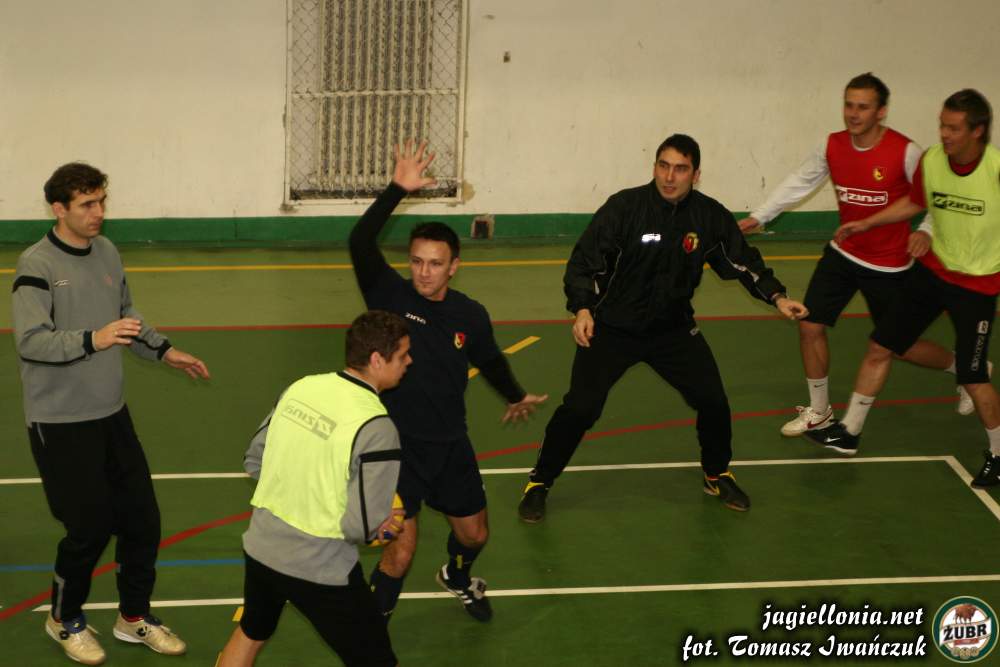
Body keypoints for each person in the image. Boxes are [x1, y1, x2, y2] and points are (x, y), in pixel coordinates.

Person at [516, 134, 808, 523]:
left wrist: (777, 297)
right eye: (663, 166)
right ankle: (539, 482)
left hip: (673, 330)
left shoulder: (708, 217)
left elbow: (742, 261)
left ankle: (716, 475)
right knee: (581, 408)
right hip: (612, 329)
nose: (670, 177)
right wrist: (582, 308)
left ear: (696, 174)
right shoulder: (625, 208)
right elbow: (585, 262)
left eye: (680, 169)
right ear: (654, 167)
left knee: (713, 401)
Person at [12, 162, 209, 665]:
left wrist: (164, 350)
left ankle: (133, 616)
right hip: (59, 421)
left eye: (101, 201)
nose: (99, 212)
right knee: (89, 528)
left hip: (111, 413)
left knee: (143, 519)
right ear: (59, 209)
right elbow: (31, 341)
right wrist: (92, 339)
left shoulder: (106, 252)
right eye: (87, 204)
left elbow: (127, 316)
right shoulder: (36, 265)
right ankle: (64, 619)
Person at [348, 141, 548, 623]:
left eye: (435, 264)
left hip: (450, 443)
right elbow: (359, 241)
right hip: (395, 447)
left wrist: (515, 394)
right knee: (399, 552)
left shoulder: (469, 315)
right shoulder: (388, 294)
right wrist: (397, 189)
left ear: (454, 266)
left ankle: (457, 576)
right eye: (417, 261)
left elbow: (489, 359)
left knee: (475, 534)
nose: (424, 272)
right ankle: (369, 641)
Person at [738, 73, 961, 437]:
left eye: (863, 107)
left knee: (900, 347)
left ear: (881, 111)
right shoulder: (832, 145)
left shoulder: (906, 151)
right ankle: (819, 411)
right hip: (843, 253)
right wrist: (760, 216)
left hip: (889, 265)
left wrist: (925, 231)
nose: (853, 114)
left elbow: (937, 195)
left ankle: (963, 368)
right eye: (849, 105)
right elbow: (800, 181)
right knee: (810, 324)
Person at [805, 89, 1000, 488]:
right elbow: (916, 202)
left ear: (977, 131)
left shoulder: (995, 170)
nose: (944, 134)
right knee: (882, 344)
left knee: (973, 374)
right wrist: (869, 222)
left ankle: (999, 454)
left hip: (977, 285)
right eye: (942, 125)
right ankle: (849, 432)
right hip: (932, 273)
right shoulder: (933, 160)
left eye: (953, 128)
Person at [218, 310, 410, 667]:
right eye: (402, 355)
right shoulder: (377, 427)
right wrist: (385, 525)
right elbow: (361, 526)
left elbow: (255, 459)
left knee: (250, 633)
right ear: (377, 360)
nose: (408, 362)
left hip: (262, 546)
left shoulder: (302, 387)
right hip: (321, 566)